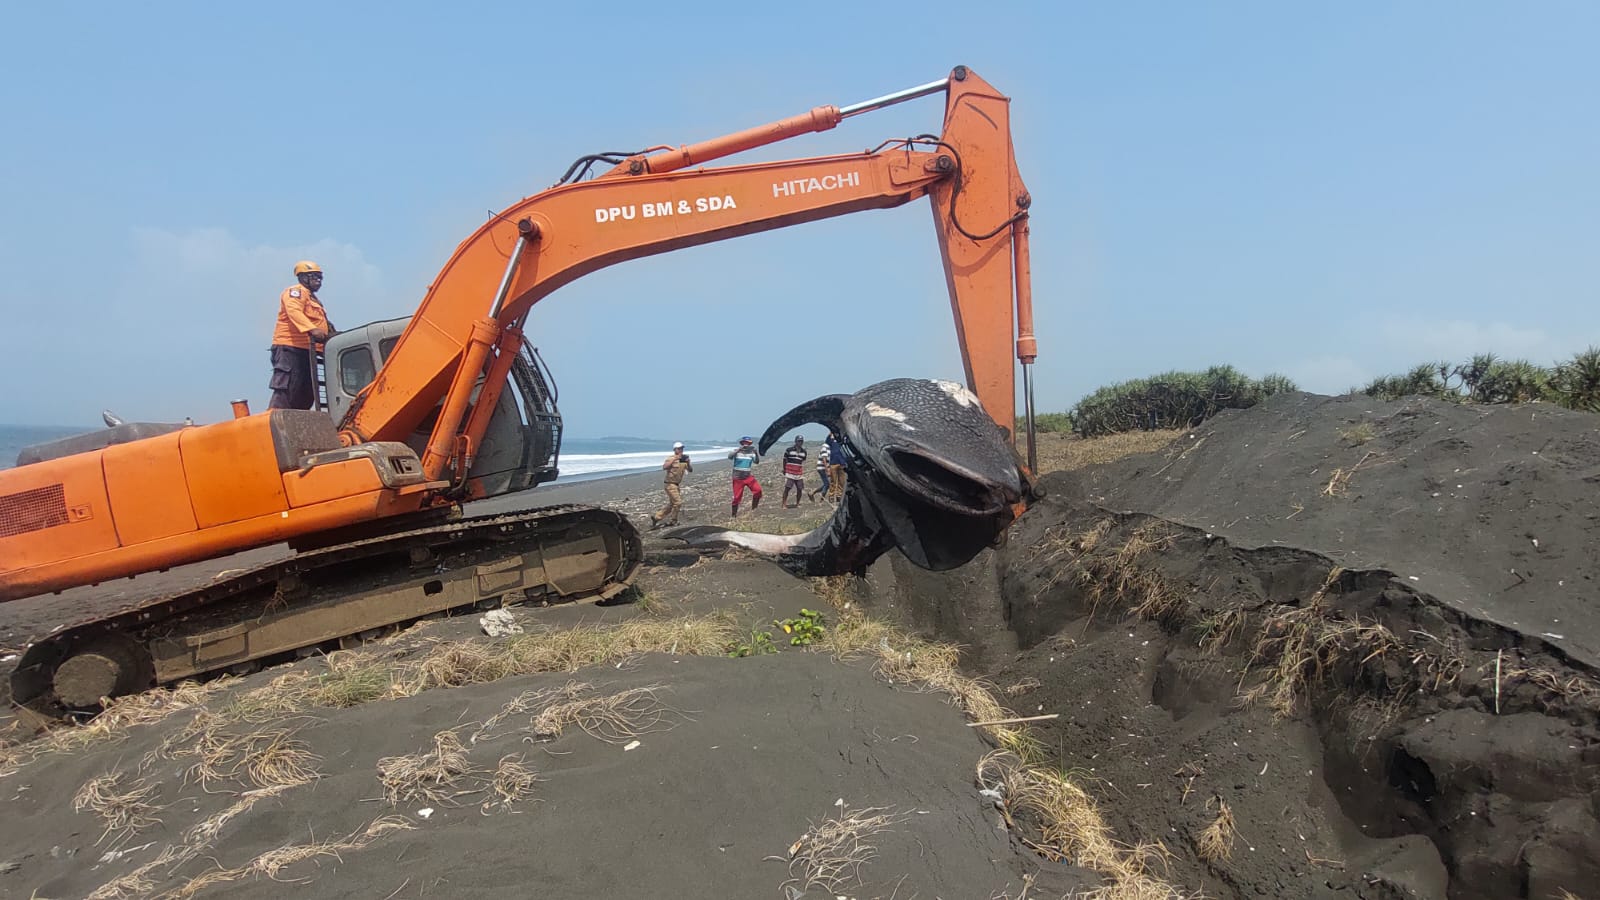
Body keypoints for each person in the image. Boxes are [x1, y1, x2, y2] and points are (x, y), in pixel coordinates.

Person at [268, 260, 336, 410]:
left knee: (307, 392)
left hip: (309, 350)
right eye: (314, 277)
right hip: (290, 348)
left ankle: (299, 424)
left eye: (320, 278)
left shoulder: (314, 300)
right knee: (287, 389)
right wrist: (312, 329)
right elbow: (294, 311)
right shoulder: (296, 292)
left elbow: (321, 322)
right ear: (302, 277)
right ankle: (273, 424)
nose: (318, 281)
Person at [651, 442, 692, 529]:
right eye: (679, 448)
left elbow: (690, 470)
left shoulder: (684, 459)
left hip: (676, 485)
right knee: (678, 503)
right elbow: (664, 467)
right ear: (675, 450)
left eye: (682, 448)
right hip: (670, 484)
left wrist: (688, 463)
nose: (681, 450)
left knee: (672, 504)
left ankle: (656, 517)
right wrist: (674, 459)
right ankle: (673, 521)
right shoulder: (671, 458)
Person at [728, 436, 762, 517]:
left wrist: (756, 453)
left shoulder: (751, 452)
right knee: (737, 497)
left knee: (758, 491)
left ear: (750, 444)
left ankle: (754, 510)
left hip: (747, 476)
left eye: (747, 443)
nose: (746, 444)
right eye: (744, 443)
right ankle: (733, 516)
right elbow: (730, 457)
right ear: (742, 443)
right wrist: (738, 450)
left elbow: (756, 462)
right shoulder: (736, 451)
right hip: (737, 477)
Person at [780, 436, 808, 508]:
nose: (800, 442)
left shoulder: (804, 452)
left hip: (798, 473)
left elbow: (802, 460)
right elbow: (784, 459)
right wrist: (784, 469)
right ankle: (784, 504)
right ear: (795, 441)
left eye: (801, 441)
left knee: (800, 488)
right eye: (799, 441)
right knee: (787, 488)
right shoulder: (789, 450)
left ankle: (797, 503)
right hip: (790, 472)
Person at [825, 430, 847, 502]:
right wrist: (831, 432)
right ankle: (831, 496)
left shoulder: (841, 440)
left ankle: (839, 496)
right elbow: (827, 440)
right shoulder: (831, 440)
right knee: (833, 481)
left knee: (841, 481)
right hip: (833, 463)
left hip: (842, 463)